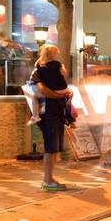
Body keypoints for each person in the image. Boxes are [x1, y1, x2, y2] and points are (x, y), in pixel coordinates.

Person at [30, 44, 72, 191]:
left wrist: (65, 93)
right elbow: (42, 91)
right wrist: (60, 95)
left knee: (54, 148)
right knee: (50, 147)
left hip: (55, 111)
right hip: (48, 112)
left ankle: (50, 178)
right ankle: (47, 180)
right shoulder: (39, 70)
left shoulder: (41, 69)